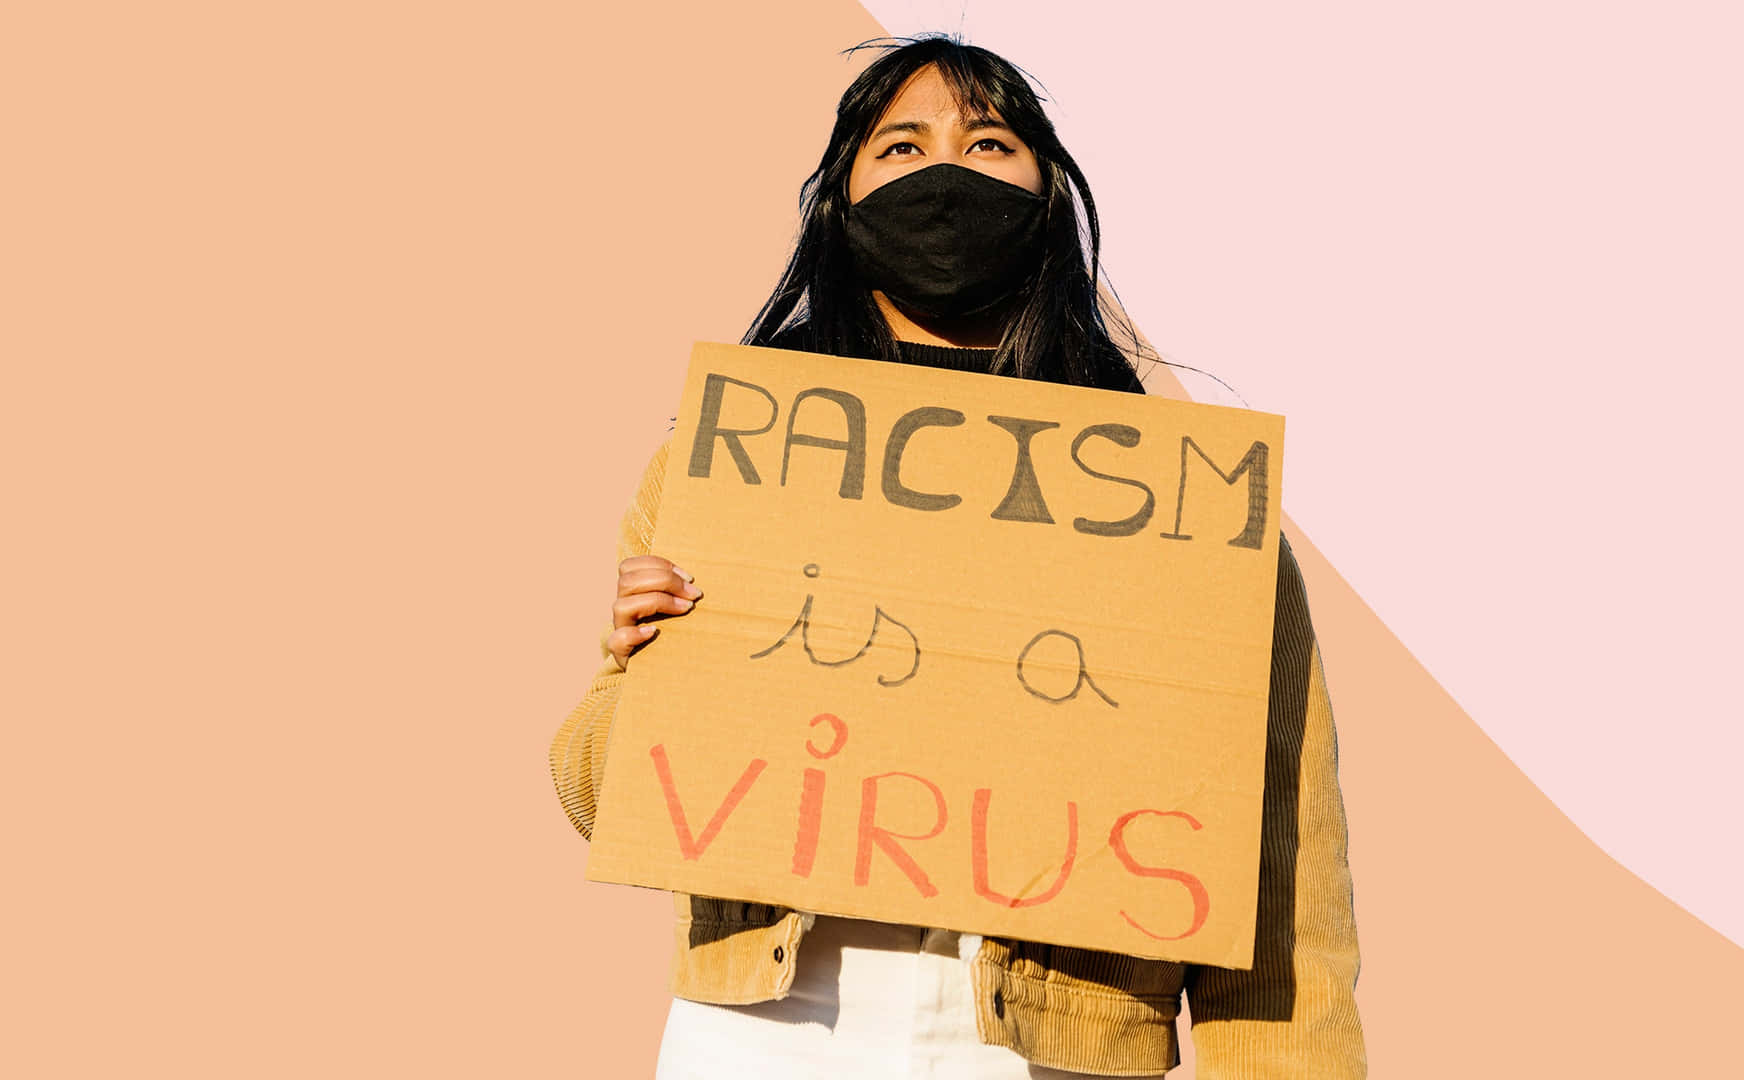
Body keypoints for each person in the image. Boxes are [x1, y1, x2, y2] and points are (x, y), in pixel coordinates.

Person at [549, 35, 1364, 1078]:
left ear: (1049, 197)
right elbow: (592, 796)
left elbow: (1282, 876)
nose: (945, 172)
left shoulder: (1187, 514)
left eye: (988, 142)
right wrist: (645, 674)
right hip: (770, 1029)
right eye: (900, 148)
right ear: (840, 203)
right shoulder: (724, 473)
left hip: (1058, 1046)